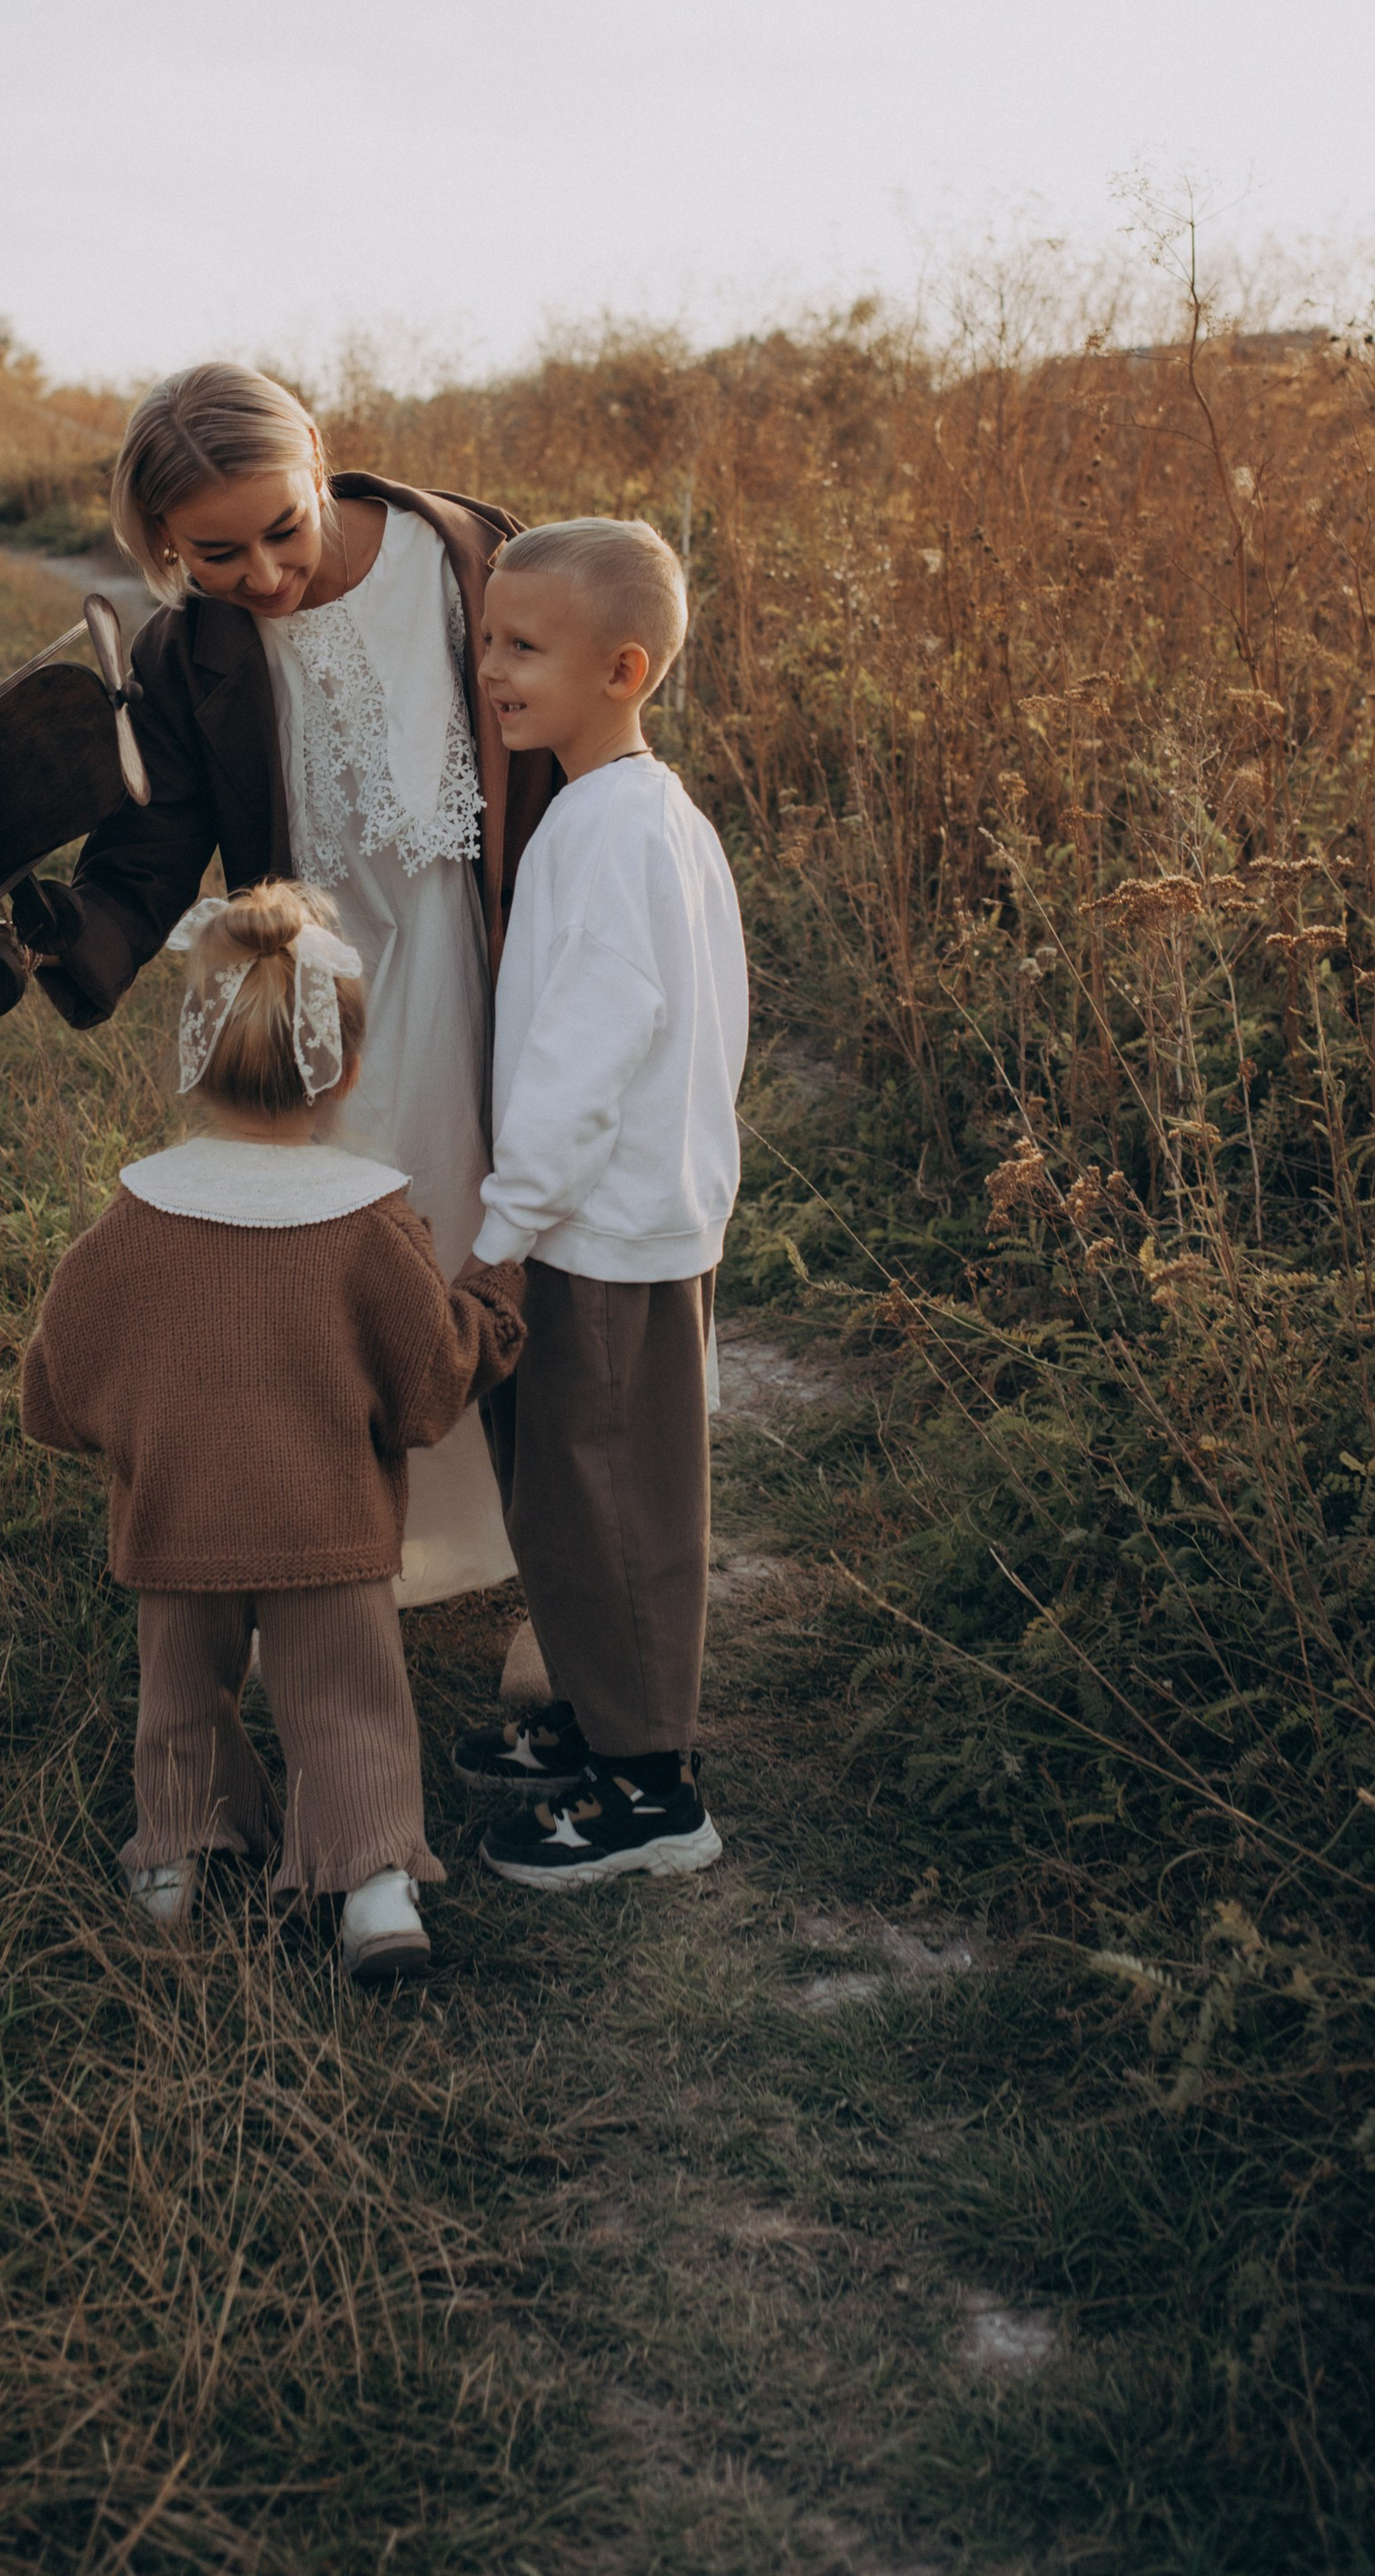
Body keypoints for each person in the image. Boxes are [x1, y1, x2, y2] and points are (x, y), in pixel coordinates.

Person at [15, 363, 554, 1606]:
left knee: (519, 1231)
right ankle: (359, 1545)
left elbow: (575, 712)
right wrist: (64, 934)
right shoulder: (189, 651)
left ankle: (545, 1553)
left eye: (282, 529)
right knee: (359, 1256)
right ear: (157, 544)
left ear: (319, 461)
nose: (261, 574)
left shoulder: (466, 555)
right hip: (338, 995)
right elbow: (155, 847)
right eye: (213, 553)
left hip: (500, 953)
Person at [17, 884, 526, 1982]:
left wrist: (110, 1430)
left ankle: (173, 1865)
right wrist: (493, 1305)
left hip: (175, 1525)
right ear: (345, 1071)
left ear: (193, 1059)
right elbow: (430, 1385)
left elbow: (61, 1371)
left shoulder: (135, 1217)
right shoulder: (369, 1223)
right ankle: (378, 1894)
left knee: (181, 1699)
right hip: (324, 1529)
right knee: (347, 1704)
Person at [448, 518, 749, 1889]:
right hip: (605, 1220)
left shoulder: (616, 828)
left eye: (524, 648)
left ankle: (651, 1793)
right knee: (566, 1495)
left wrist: (507, 1231)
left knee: (609, 1499)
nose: (492, 668)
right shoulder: (625, 811)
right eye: (488, 639)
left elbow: (593, 1045)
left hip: (600, 1235)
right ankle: (594, 1710)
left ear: (623, 666)